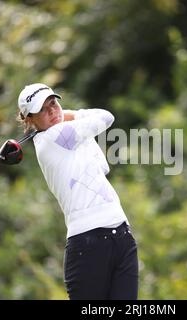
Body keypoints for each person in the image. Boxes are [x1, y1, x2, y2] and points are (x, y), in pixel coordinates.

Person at [16, 83, 138, 300]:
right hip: (88, 244)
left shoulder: (71, 133)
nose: (52, 111)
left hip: (121, 233)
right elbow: (106, 117)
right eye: (43, 109)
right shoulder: (53, 139)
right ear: (29, 120)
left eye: (53, 103)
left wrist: (65, 116)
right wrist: (71, 115)